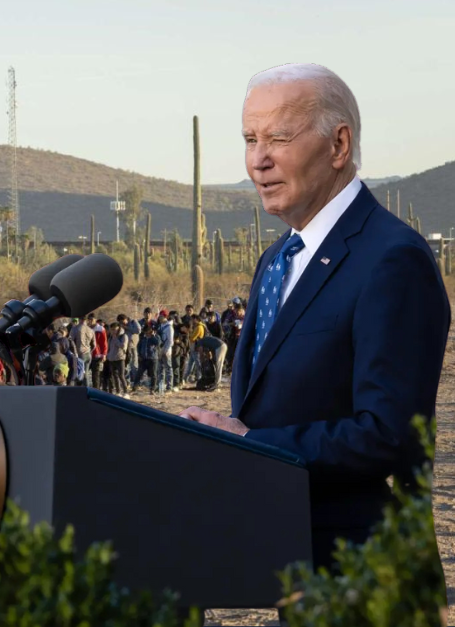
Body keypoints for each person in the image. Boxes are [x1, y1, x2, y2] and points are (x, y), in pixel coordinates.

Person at [180, 63, 450, 579]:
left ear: (338, 146)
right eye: (249, 138)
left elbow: (387, 434)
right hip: (293, 563)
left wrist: (246, 442)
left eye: (278, 137)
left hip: (366, 577)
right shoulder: (277, 258)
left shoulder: (392, 258)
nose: (258, 160)